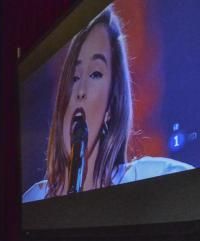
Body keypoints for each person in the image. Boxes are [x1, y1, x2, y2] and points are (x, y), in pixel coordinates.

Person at [23, 6, 193, 202]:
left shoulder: (147, 177)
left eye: (95, 73)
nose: (81, 91)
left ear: (111, 107)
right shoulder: (33, 198)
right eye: (74, 77)